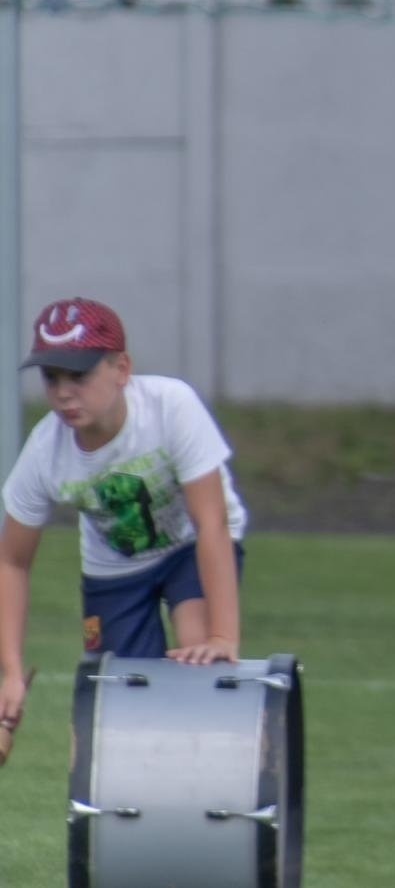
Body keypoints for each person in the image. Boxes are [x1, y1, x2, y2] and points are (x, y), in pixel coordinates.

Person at [0, 297, 246, 737]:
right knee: (123, 698)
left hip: (192, 543)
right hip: (116, 568)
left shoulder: (171, 406)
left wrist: (223, 638)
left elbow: (212, 523)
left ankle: (209, 788)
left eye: (79, 374)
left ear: (122, 369)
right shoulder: (44, 452)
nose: (62, 392)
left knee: (197, 653)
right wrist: (10, 674)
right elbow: (11, 562)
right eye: (51, 376)